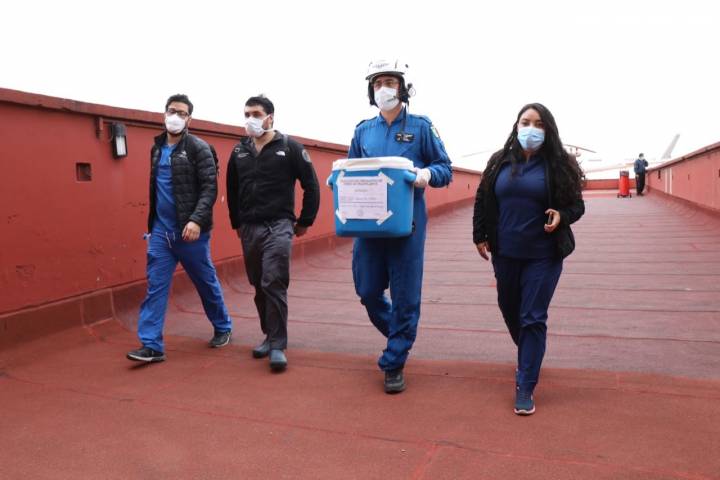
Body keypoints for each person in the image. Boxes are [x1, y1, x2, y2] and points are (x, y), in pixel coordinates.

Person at [472, 103, 584, 415]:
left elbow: (577, 206)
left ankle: (526, 383)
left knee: (532, 316)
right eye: (526, 122)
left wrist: (562, 215)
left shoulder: (559, 165)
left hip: (543, 255)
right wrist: (479, 234)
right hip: (505, 252)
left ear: (548, 130)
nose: (531, 129)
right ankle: (529, 354)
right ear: (517, 126)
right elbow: (482, 198)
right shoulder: (499, 161)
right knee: (509, 309)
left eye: (538, 124)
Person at [348, 59, 453, 394]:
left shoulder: (421, 127)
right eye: (377, 83)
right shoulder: (363, 130)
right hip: (368, 225)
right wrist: (337, 181)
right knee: (367, 291)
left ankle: (394, 361)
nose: (384, 89)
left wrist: (427, 174)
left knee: (405, 296)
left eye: (390, 82)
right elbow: (350, 170)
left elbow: (445, 168)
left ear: (403, 87)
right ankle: (401, 335)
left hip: (407, 225)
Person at [127, 94, 232, 363]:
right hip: (161, 233)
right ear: (164, 113)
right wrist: (154, 227)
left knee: (205, 282)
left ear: (189, 119)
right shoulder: (156, 149)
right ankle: (151, 344)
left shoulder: (199, 148)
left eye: (182, 113)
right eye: (172, 111)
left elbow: (209, 188)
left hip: (191, 233)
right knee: (155, 287)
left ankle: (222, 326)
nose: (175, 116)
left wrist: (196, 220)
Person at [226, 95, 320, 372]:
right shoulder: (239, 150)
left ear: (270, 118)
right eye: (247, 114)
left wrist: (305, 220)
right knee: (258, 283)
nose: (250, 119)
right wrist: (236, 223)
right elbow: (231, 188)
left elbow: (311, 185)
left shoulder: (290, 147)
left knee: (273, 281)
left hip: (279, 225)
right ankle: (269, 335)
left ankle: (278, 345)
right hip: (249, 227)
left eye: (256, 114)